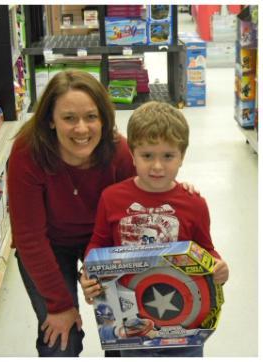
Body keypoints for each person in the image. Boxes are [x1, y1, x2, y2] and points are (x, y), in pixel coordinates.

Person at [79, 101, 229, 357]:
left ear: (182, 156)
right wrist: (89, 274)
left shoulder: (195, 204)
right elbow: (98, 244)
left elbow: (206, 249)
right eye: (147, 155)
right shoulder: (111, 198)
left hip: (184, 324)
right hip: (130, 321)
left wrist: (218, 266)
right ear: (133, 154)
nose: (157, 166)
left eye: (168, 156)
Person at [6, 69, 137, 356]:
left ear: (104, 118)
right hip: (49, 244)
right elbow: (29, 237)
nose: (81, 129)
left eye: (91, 117)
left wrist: (100, 268)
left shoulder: (118, 151)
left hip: (105, 243)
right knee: (62, 341)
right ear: (50, 121)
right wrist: (60, 305)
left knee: (126, 336)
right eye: (69, 118)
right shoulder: (27, 153)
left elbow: (134, 216)